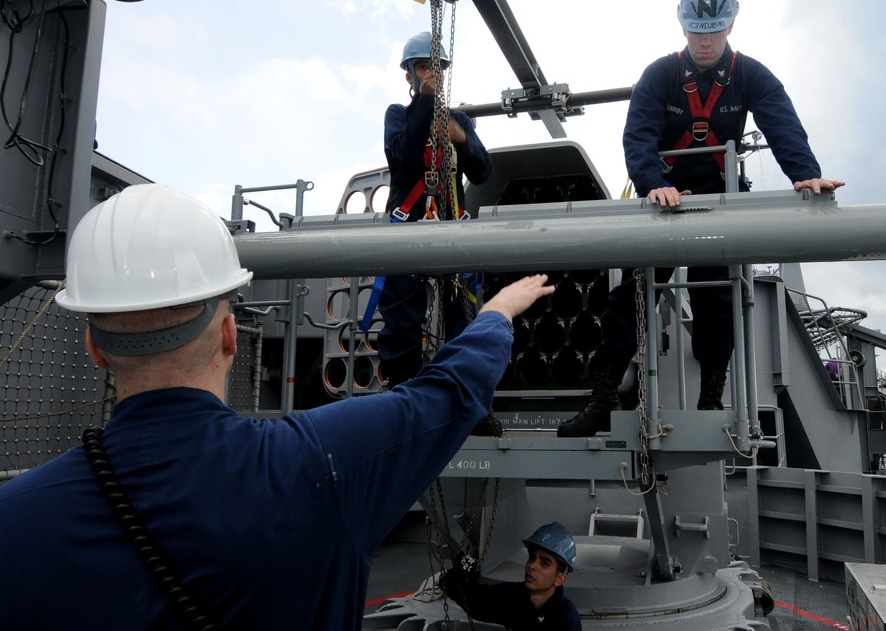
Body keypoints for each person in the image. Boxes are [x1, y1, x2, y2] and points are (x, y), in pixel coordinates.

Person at [0, 183, 554, 631]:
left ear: (94, 349)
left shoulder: (15, 517)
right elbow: (447, 394)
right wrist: (497, 311)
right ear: (228, 334)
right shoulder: (323, 464)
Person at [558, 0, 845, 437]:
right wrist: (653, 183)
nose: (704, 41)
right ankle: (603, 398)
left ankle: (711, 401)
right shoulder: (660, 76)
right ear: (681, 25)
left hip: (717, 206)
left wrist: (807, 176)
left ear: (731, 25)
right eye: (696, 30)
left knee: (716, 297)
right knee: (628, 297)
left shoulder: (750, 75)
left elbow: (783, 126)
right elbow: (638, 137)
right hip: (665, 202)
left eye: (713, 30)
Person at [376, 31, 493, 389]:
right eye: (423, 67)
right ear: (409, 74)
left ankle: (460, 390)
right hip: (408, 225)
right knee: (401, 317)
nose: (430, 74)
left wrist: (464, 140)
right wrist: (426, 104)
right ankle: (402, 387)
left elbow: (483, 170)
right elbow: (404, 156)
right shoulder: (398, 115)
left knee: (462, 312)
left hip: (448, 227)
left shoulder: (458, 120)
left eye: (436, 68)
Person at [441, 522, 582, 631]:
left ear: (559, 579)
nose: (532, 565)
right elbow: (478, 603)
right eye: (532, 558)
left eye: (544, 563)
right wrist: (458, 579)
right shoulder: (517, 597)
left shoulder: (566, 620)